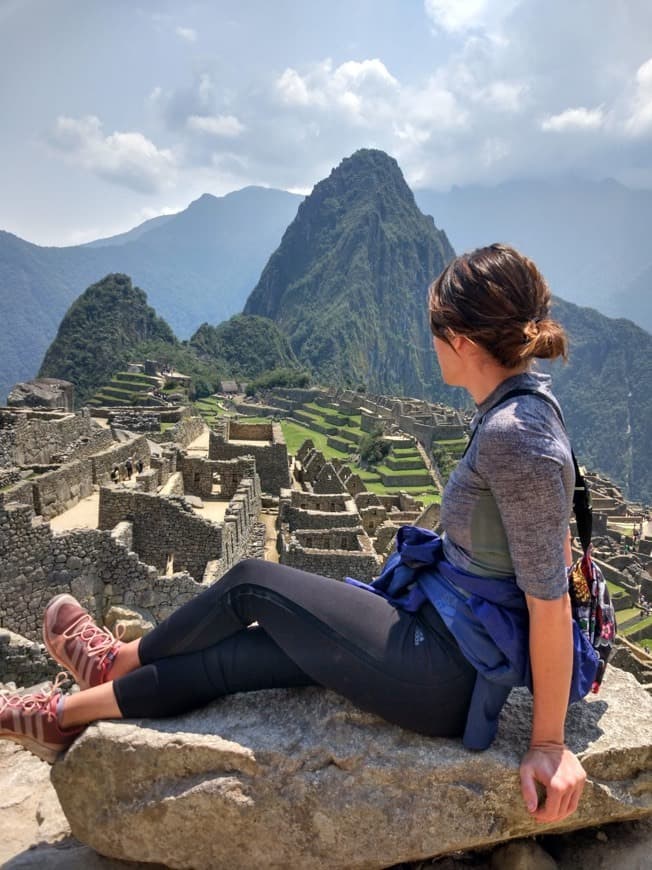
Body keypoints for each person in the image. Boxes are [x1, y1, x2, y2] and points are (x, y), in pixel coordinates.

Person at [0, 243, 587, 824]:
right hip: (435, 639)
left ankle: (112, 662)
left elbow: (550, 595)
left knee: (250, 583)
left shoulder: (517, 434)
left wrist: (548, 745)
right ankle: (67, 715)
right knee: (236, 661)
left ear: (461, 339)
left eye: (435, 329)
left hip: (439, 667)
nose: (429, 342)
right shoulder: (519, 409)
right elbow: (549, 546)